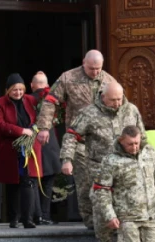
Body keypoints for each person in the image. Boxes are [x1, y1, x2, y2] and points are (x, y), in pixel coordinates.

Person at [60, 82, 145, 242]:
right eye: (112, 100)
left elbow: (142, 139)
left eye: (119, 99)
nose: (116, 103)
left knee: (124, 208)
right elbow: (71, 136)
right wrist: (67, 159)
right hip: (99, 168)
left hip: (126, 169)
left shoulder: (131, 110)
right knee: (102, 209)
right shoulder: (89, 113)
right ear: (102, 97)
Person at [36, 50, 117, 229]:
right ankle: (91, 223)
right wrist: (43, 127)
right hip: (78, 140)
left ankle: (105, 224)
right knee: (85, 183)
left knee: (106, 184)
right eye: (91, 68)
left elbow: (121, 106)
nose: (95, 72)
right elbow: (50, 101)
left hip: (104, 142)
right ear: (83, 63)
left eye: (98, 68)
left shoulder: (109, 81)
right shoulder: (68, 78)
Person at [0, 73, 43, 229]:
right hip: (10, 149)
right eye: (14, 90)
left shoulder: (31, 101)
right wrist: (21, 131)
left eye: (21, 90)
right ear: (8, 90)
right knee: (13, 183)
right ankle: (14, 218)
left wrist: (35, 128)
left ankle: (28, 219)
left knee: (28, 181)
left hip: (29, 148)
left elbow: (41, 115)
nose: (18, 93)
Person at [30, 71, 62, 225]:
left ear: (32, 85)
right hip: (50, 144)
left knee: (33, 182)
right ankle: (45, 214)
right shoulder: (54, 99)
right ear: (48, 86)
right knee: (48, 183)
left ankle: (36, 215)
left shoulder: (27, 100)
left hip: (32, 142)